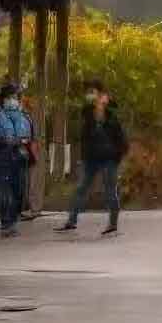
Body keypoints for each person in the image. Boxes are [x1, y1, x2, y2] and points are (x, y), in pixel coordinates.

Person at [63, 84, 128, 235]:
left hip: (109, 159)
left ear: (104, 97)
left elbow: (122, 140)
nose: (93, 96)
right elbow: (83, 137)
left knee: (110, 191)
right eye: (91, 94)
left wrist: (116, 156)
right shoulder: (87, 115)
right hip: (91, 159)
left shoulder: (112, 117)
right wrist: (84, 157)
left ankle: (113, 224)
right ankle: (71, 221)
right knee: (81, 188)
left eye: (96, 94)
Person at [0, 80, 36, 235]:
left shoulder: (25, 117)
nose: (12, 100)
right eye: (9, 97)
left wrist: (25, 144)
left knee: (18, 191)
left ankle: (13, 220)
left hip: (20, 157)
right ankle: (7, 224)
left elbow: (32, 137)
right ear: (3, 99)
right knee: (4, 192)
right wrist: (3, 142)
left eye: (14, 97)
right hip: (3, 157)